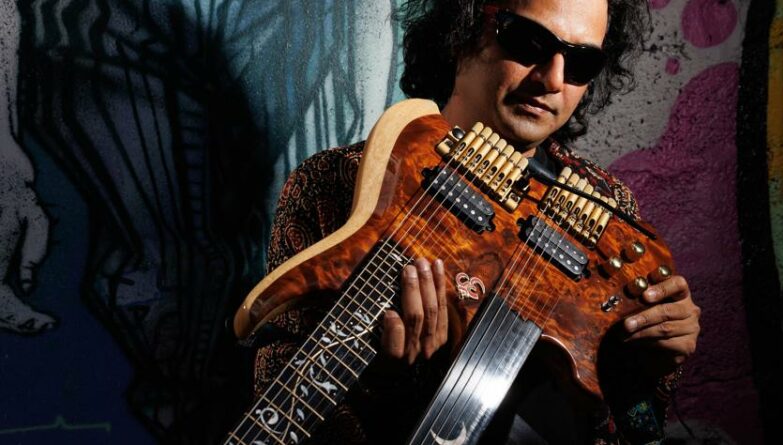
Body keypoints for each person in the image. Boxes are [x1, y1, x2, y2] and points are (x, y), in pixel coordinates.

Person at [253, 0, 702, 443]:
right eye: (529, 41)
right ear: (461, 28)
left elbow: (639, 426)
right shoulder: (338, 182)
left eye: (582, 62)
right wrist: (384, 384)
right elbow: (278, 384)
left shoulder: (608, 214)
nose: (553, 80)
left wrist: (646, 368)